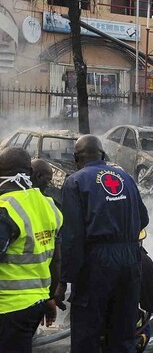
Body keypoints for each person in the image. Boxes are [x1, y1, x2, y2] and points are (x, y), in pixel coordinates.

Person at [55, 135, 149, 352]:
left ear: (76, 158)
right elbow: (143, 220)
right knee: (123, 333)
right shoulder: (125, 177)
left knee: (87, 334)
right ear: (104, 156)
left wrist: (63, 281)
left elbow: (73, 237)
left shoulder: (75, 181)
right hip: (130, 261)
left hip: (96, 264)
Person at [0, 147, 63, 353]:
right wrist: (50, 297)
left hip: (9, 306)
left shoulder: (6, 208)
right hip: (37, 303)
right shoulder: (49, 205)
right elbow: (56, 259)